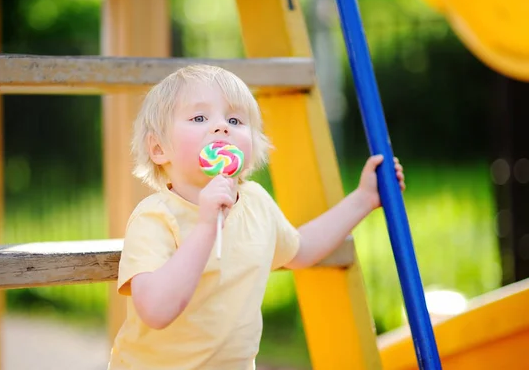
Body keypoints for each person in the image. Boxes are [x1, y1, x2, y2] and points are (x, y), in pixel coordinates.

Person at [107, 64, 405, 370]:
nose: (221, 127)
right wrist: (207, 225)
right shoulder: (155, 217)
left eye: (235, 120)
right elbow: (156, 310)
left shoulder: (256, 203)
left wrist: (363, 199)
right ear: (158, 149)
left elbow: (301, 250)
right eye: (199, 118)